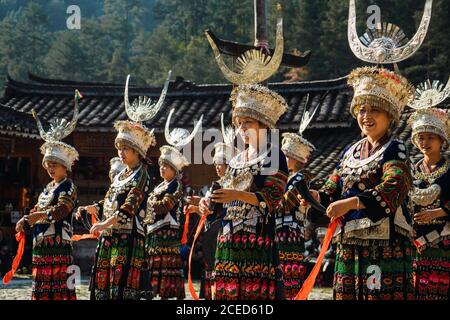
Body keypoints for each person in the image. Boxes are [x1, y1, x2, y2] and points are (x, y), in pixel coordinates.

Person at [305, 67, 416, 300]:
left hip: (385, 243)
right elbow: (333, 185)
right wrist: (317, 197)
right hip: (349, 241)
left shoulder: (395, 148)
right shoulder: (350, 152)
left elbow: (394, 186)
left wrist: (351, 203)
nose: (366, 116)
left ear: (389, 115)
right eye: (362, 110)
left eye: (375, 110)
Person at [77, 75, 165, 300]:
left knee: (123, 287)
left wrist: (106, 222)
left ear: (137, 151)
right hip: (110, 235)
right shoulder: (121, 175)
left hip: (128, 237)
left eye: (125, 148)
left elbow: (130, 205)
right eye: (119, 148)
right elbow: (109, 200)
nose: (121, 153)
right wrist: (92, 207)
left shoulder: (142, 175)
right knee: (105, 287)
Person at [199, 84, 289, 300]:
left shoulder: (274, 155)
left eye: (247, 122)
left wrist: (237, 195)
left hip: (256, 238)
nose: (242, 129)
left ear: (264, 124)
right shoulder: (236, 160)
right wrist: (207, 202)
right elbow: (223, 194)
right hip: (228, 237)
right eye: (239, 124)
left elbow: (272, 198)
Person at [15, 92, 80, 300]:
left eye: (55, 165)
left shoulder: (68, 186)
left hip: (59, 244)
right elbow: (36, 210)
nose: (51, 169)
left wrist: (38, 217)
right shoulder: (47, 188)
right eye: (48, 165)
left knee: (59, 289)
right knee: (42, 288)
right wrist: (26, 220)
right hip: (41, 245)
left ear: (65, 166)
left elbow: (62, 210)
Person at [274, 99, 319, 299]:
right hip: (279, 229)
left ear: (297, 159)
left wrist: (266, 200)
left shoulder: (299, 179)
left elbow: (284, 204)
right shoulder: (286, 177)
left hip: (289, 230)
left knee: (288, 273)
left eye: (286, 156)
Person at [407, 102, 449, 300]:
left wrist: (439, 212)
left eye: (431, 137)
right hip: (414, 238)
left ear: (442, 140)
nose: (425, 142)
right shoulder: (409, 170)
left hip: (445, 238)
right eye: (421, 138)